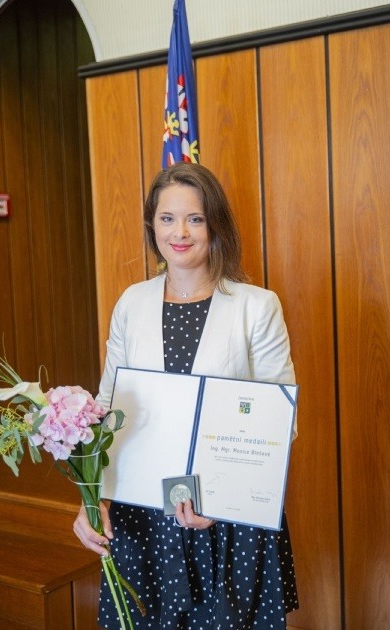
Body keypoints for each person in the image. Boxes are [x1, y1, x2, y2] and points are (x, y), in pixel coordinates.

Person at [73, 162, 298, 629]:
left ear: (215, 225)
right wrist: (94, 498)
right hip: (143, 516)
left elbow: (280, 423)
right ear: (151, 224)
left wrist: (220, 498)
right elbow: (108, 409)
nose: (180, 232)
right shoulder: (131, 303)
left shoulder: (257, 307)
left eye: (195, 218)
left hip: (227, 519)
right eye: (167, 218)